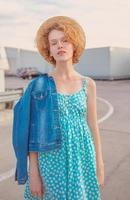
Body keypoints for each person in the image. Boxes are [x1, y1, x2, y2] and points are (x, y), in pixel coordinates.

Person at [23, 15, 104, 200]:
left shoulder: (88, 84)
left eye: (65, 40)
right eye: (54, 42)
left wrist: (99, 165)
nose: (60, 45)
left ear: (74, 45)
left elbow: (93, 127)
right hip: (49, 160)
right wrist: (33, 173)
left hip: (82, 158)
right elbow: (33, 132)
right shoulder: (40, 85)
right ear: (49, 50)